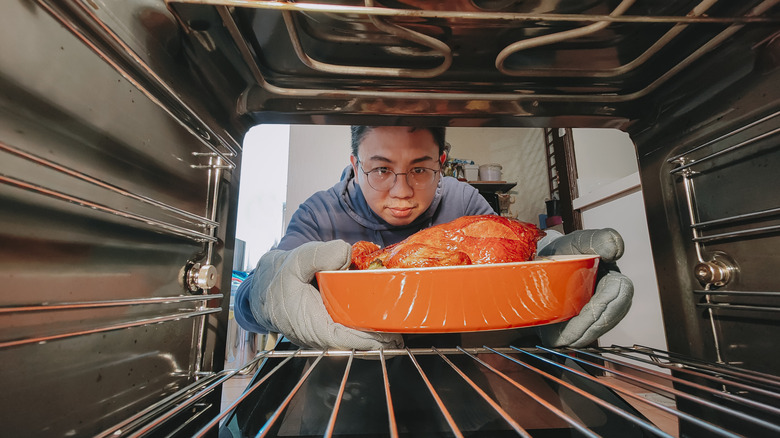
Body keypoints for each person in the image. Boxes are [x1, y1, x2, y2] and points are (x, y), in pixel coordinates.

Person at [234, 126, 633, 350]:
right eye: (380, 170)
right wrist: (265, 291)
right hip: (345, 376)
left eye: (421, 170)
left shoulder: (464, 200)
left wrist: (561, 281)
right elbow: (244, 308)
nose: (402, 191)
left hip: (452, 364)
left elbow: (511, 270)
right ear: (355, 165)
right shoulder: (320, 213)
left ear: (442, 162)